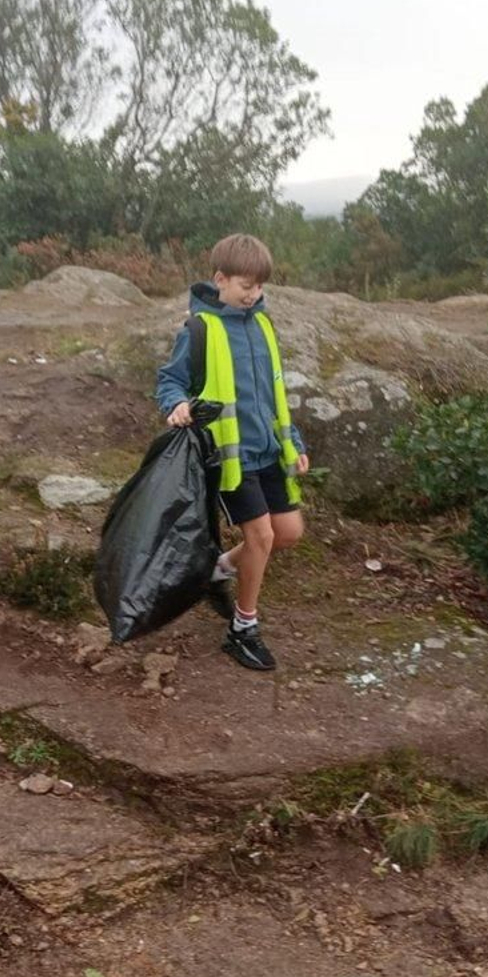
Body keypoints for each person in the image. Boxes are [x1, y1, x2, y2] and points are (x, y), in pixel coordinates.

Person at [155, 233, 310, 672]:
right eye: (245, 286)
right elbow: (169, 380)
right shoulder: (200, 328)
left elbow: (273, 393)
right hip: (230, 460)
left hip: (269, 453)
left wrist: (293, 443)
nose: (253, 294)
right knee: (260, 537)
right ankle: (242, 629)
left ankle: (215, 571)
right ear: (219, 279)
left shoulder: (262, 325)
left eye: (259, 287)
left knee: (289, 533)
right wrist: (176, 404)